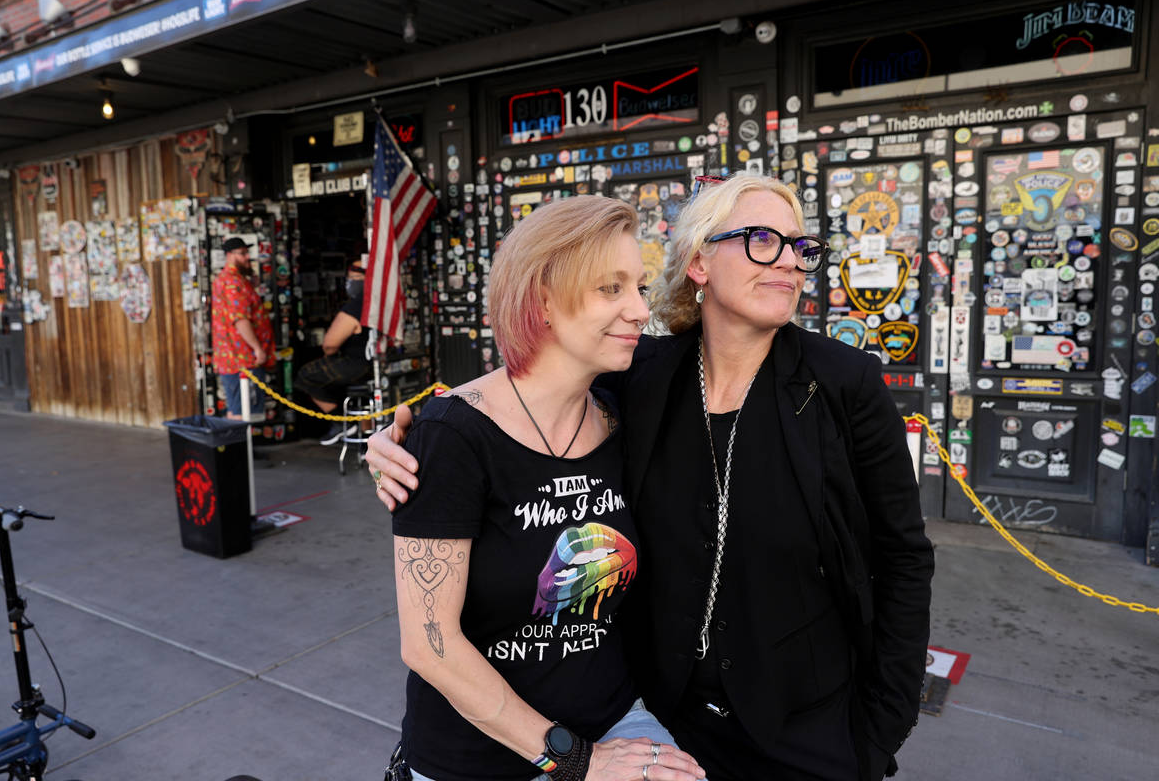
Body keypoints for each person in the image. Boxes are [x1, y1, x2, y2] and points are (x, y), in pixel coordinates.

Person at [368, 174, 934, 781]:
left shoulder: (841, 382)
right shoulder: (640, 381)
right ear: (698, 262)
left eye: (801, 247)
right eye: (763, 239)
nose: (790, 261)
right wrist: (415, 437)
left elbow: (901, 556)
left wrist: (882, 728)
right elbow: (531, 389)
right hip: (662, 719)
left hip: (800, 726)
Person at [383, 195, 704, 781]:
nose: (639, 309)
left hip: (613, 722)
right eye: (611, 289)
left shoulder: (620, 416)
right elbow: (429, 645)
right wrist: (576, 761)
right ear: (543, 302)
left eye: (639, 286)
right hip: (479, 756)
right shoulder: (453, 436)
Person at [294, 257, 374, 445]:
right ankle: (364, 433)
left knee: (306, 376)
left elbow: (330, 344)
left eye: (353, 278)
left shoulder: (355, 306)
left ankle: (342, 422)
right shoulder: (378, 302)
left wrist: (328, 354)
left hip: (356, 364)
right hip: (375, 365)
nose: (349, 283)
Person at [212, 237, 275, 420]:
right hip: (242, 359)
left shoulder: (233, 279)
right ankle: (242, 449)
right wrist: (257, 348)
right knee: (242, 413)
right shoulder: (233, 282)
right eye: (243, 253)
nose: (248, 257)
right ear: (229, 255)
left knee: (237, 410)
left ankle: (240, 448)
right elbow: (240, 320)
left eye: (247, 252)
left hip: (234, 358)